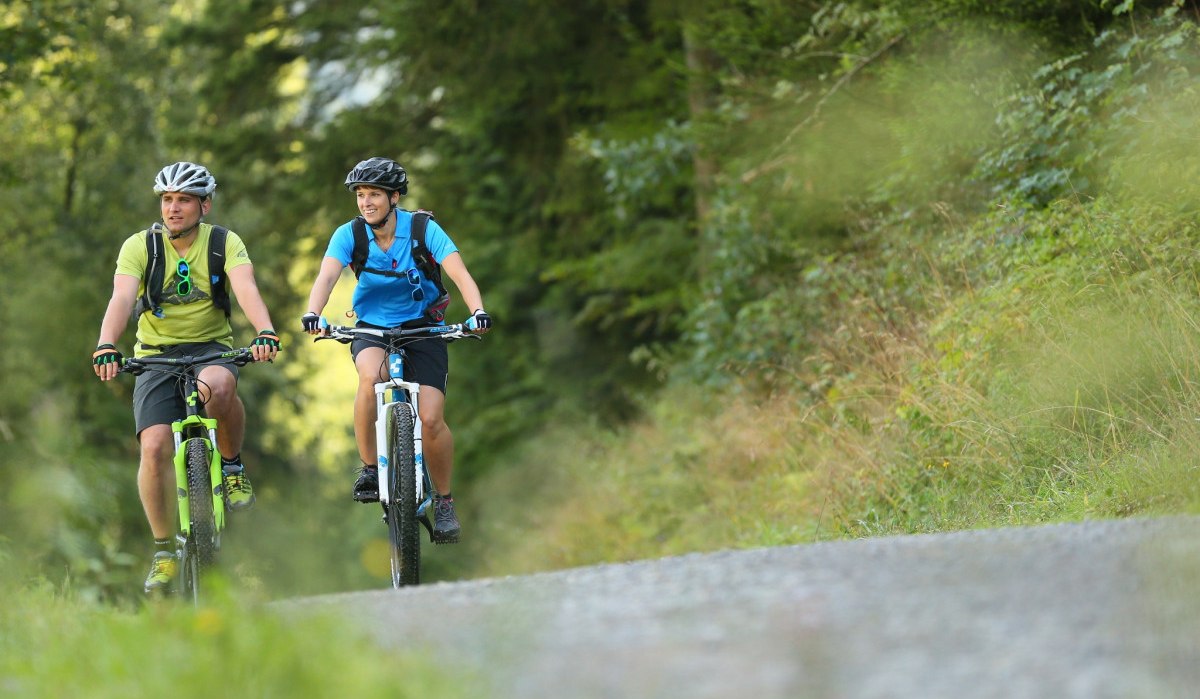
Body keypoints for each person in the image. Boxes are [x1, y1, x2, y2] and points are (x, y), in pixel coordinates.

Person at [92, 161, 280, 594]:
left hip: (210, 348)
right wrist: (106, 342)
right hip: (155, 356)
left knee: (221, 386)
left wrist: (265, 331)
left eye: (184, 200)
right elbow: (122, 297)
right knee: (154, 446)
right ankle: (163, 550)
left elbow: (246, 287)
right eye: (167, 199)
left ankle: (230, 466)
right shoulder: (140, 246)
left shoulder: (223, 243)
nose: (173, 208)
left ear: (204, 205)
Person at [301, 156, 491, 544]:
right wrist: (313, 313)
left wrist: (478, 312)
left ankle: (444, 500)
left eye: (374, 194)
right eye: (360, 195)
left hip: (424, 327)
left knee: (433, 419)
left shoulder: (423, 229)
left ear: (394, 197)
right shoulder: (349, 235)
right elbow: (326, 275)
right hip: (372, 327)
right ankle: (370, 468)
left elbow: (460, 273)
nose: (366, 202)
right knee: (372, 376)